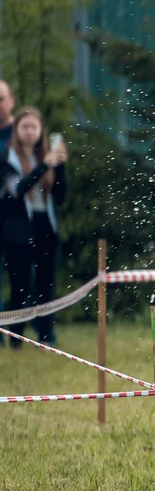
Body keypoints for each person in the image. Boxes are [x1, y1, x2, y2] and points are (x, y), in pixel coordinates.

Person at [1, 107, 68, 346]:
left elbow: (60, 196)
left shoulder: (47, 158)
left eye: (34, 127)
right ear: (16, 130)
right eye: (25, 127)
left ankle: (46, 338)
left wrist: (59, 167)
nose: (30, 132)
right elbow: (16, 190)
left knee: (46, 287)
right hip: (18, 229)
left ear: (41, 131)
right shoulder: (6, 158)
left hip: (46, 226)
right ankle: (16, 338)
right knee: (20, 287)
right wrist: (43, 167)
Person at [0, 81, 15, 341]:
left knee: (23, 279)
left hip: (17, 219)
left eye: (1, 98)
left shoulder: (22, 131)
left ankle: (19, 335)